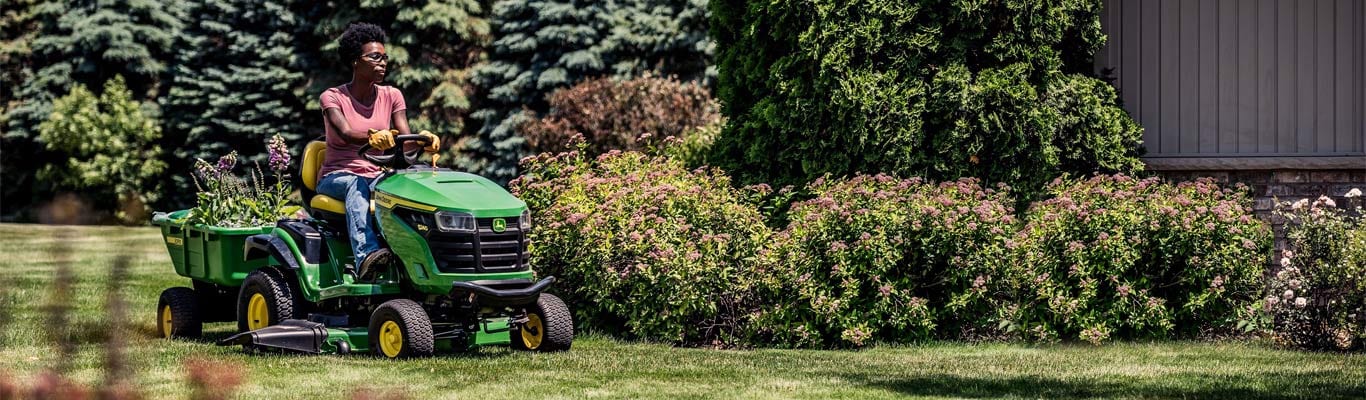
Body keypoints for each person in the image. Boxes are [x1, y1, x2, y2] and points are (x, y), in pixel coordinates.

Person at [317, 22, 439, 278]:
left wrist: (424, 140)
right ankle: (366, 257)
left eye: (385, 58)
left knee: (420, 181)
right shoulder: (332, 97)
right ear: (355, 61)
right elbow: (346, 133)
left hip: (378, 175)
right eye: (375, 57)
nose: (383, 63)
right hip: (338, 176)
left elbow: (405, 138)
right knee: (356, 184)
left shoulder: (392, 95)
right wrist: (373, 136)